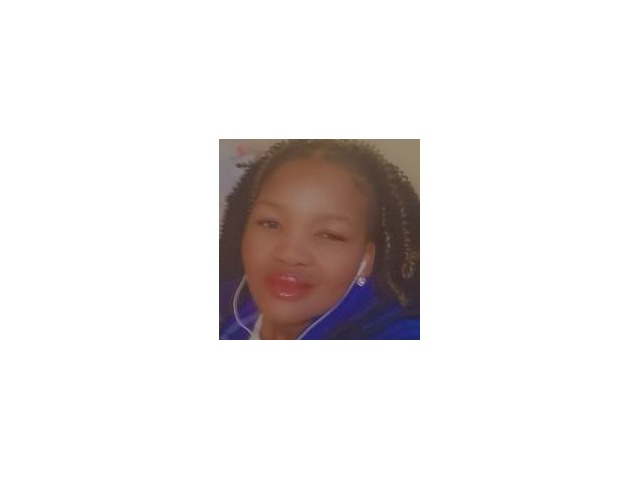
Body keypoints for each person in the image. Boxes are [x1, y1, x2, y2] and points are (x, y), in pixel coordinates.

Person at [219, 139, 420, 340]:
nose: (289, 254)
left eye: (328, 235)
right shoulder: (226, 306)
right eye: (270, 223)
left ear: (366, 258)